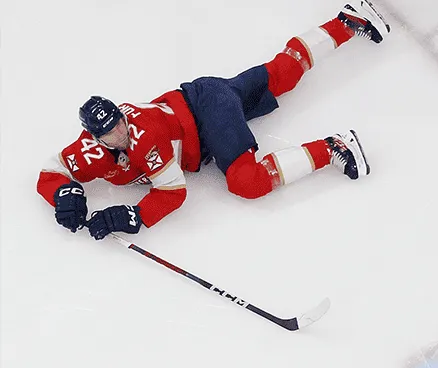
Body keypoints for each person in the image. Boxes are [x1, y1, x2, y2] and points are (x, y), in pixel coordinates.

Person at [37, 1, 390, 241]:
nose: (119, 131)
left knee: (247, 182)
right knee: (280, 75)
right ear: (94, 137)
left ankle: (334, 148)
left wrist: (133, 216)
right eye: (109, 132)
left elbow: (172, 191)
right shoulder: (89, 152)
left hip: (207, 117)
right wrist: (63, 194)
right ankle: (347, 21)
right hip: (205, 95)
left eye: (118, 121)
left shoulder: (145, 136)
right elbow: (52, 171)